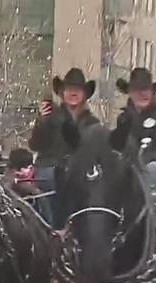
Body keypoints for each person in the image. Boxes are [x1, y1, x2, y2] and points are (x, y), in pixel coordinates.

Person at [29, 67, 100, 228]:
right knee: (50, 179)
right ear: (62, 92)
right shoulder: (51, 117)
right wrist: (42, 121)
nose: (73, 92)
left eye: (77, 89)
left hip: (79, 173)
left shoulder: (92, 123)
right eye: (69, 89)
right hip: (50, 169)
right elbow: (35, 144)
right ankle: (50, 228)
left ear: (84, 94)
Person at [115, 67, 156, 194]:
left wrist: (141, 161)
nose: (142, 94)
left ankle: (151, 204)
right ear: (129, 92)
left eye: (146, 90)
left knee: (153, 169)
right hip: (132, 175)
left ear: (152, 92)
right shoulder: (123, 120)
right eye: (137, 90)